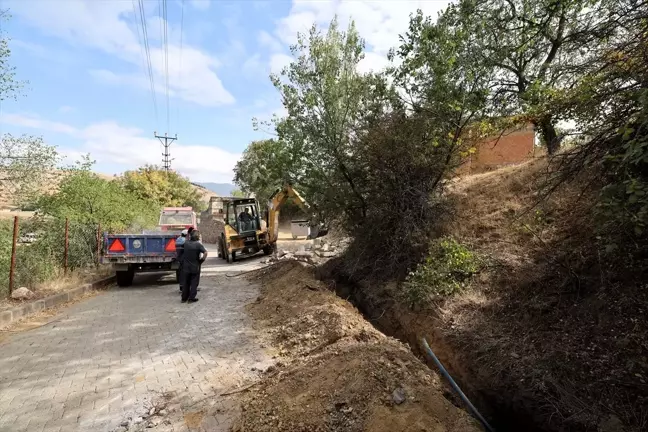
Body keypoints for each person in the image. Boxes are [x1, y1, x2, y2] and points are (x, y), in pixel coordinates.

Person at [181, 229, 207, 303]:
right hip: (195, 266)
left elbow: (181, 249)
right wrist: (201, 261)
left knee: (186, 283)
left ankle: (184, 298)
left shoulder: (186, 243)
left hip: (186, 267)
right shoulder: (198, 245)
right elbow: (205, 253)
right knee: (194, 283)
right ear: (197, 237)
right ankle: (191, 298)